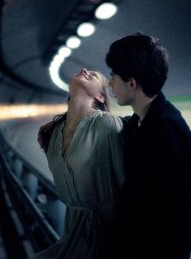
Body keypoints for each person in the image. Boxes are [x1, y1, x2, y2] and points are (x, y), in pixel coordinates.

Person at [105, 33, 191, 259]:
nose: (109, 83)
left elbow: (176, 217)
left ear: (131, 83)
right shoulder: (144, 122)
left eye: (113, 76)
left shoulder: (167, 132)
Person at [34, 68, 124, 259]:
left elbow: (125, 185)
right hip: (70, 238)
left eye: (94, 75)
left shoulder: (106, 124)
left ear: (100, 96)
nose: (84, 70)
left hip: (105, 241)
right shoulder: (51, 133)